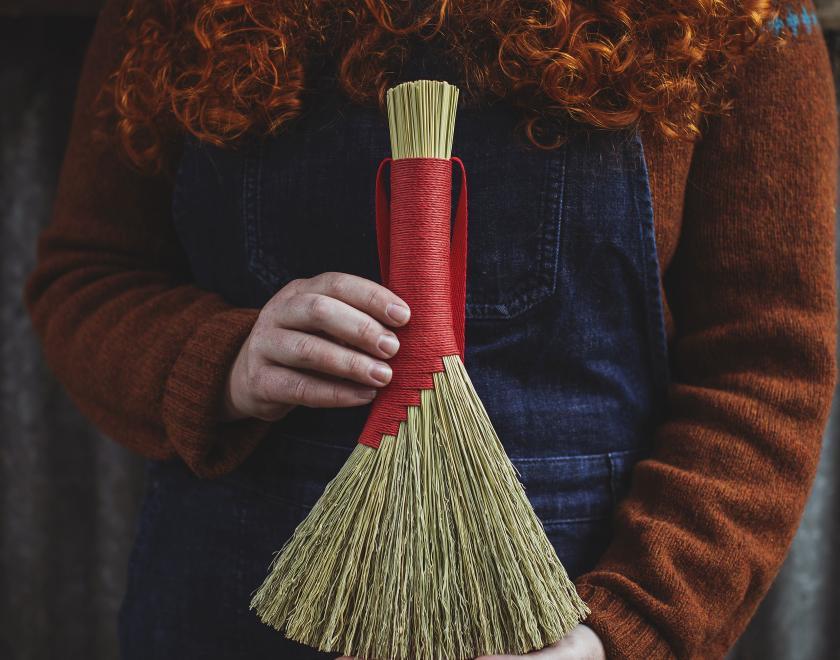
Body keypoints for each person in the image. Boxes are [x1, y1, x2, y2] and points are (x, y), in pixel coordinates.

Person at [23, 0, 837, 658]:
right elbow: (89, 277)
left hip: (564, 616)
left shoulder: (743, 14)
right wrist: (223, 362)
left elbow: (767, 364)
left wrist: (620, 634)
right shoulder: (173, 10)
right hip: (229, 606)